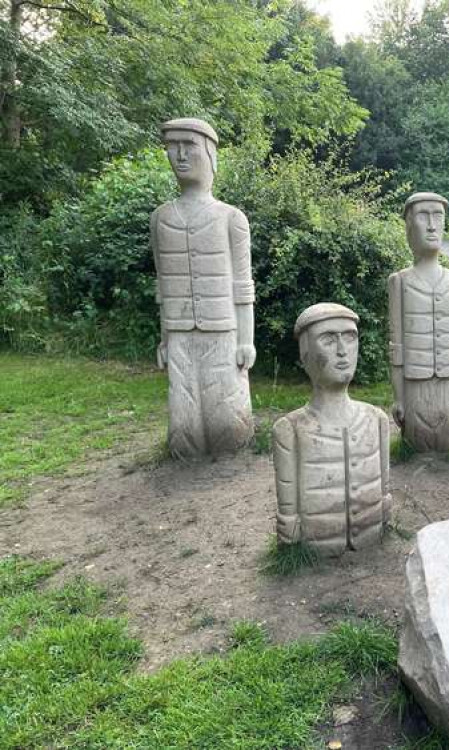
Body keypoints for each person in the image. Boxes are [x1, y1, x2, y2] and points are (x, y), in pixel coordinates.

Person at [151, 118, 255, 460]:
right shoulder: (160, 219)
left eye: (189, 145)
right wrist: (165, 339)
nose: (179, 154)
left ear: (210, 153)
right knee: (183, 416)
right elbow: (162, 288)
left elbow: (243, 285)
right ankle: (186, 456)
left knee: (226, 410)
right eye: (172, 145)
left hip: (222, 330)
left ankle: (231, 450)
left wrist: (246, 339)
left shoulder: (231, 218)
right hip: (180, 332)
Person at [272, 303, 391, 557]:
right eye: (328, 340)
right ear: (305, 354)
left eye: (349, 337)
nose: (342, 351)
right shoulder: (290, 431)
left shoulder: (376, 420)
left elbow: (383, 492)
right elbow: (289, 513)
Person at [388, 192, 449, 452]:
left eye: (438, 215)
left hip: (447, 385)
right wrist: (399, 398)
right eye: (423, 216)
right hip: (415, 387)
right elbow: (396, 346)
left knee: (447, 439)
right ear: (409, 226)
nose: (432, 224)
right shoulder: (399, 281)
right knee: (418, 438)